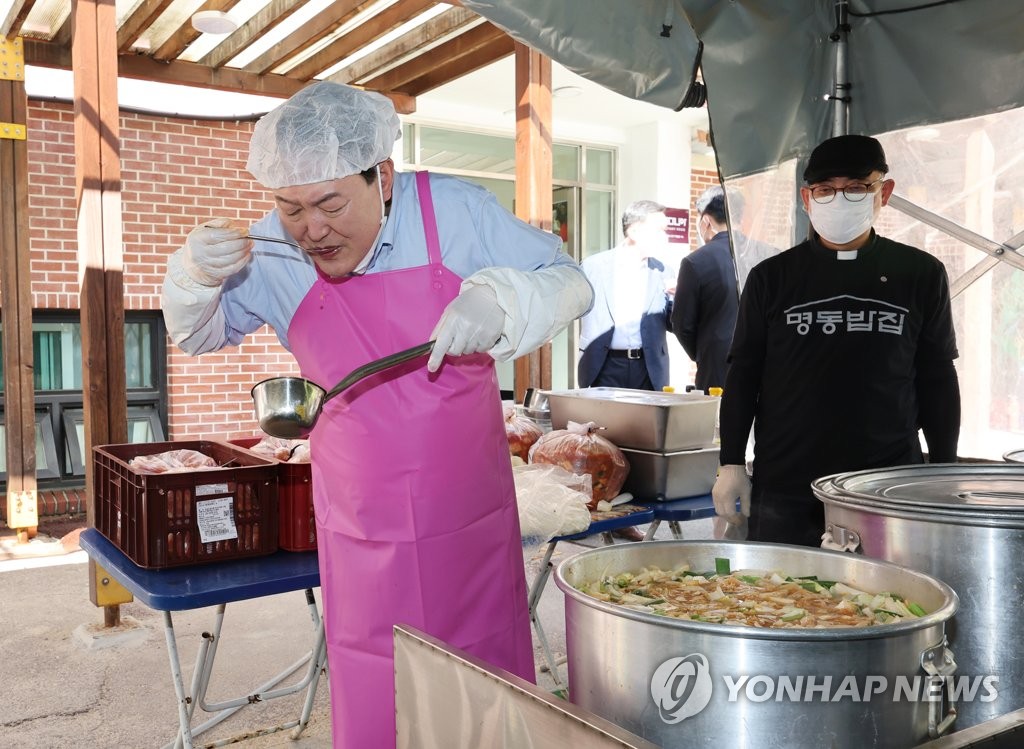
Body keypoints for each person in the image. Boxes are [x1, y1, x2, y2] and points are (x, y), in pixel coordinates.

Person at [160, 81, 593, 748]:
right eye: (290, 207)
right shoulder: (274, 252)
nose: (313, 229)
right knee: (376, 694)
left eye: (330, 203)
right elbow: (198, 334)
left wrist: (506, 299)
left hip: (470, 523)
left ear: (382, 177)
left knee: (483, 697)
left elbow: (570, 280)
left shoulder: (452, 213)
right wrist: (192, 277)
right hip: (360, 529)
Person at [711, 134, 961, 547]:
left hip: (886, 482)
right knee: (778, 602)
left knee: (884, 603)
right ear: (807, 199)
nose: (839, 200)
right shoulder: (772, 278)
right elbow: (743, 374)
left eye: (857, 188)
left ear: (885, 192)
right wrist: (731, 463)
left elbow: (937, 378)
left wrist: (945, 469)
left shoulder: (920, 274)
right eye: (826, 190)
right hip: (788, 480)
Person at [577, 200, 674, 391]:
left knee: (646, 422)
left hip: (648, 369)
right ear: (634, 232)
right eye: (659, 230)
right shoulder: (592, 267)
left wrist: (679, 299)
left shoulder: (664, 272)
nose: (665, 237)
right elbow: (573, 309)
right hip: (603, 366)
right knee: (603, 422)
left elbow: (674, 323)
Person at [671, 185, 739, 393]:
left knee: (719, 422)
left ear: (706, 221)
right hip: (763, 361)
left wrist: (702, 351)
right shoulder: (765, 253)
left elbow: (682, 323)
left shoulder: (696, 261)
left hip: (716, 363)